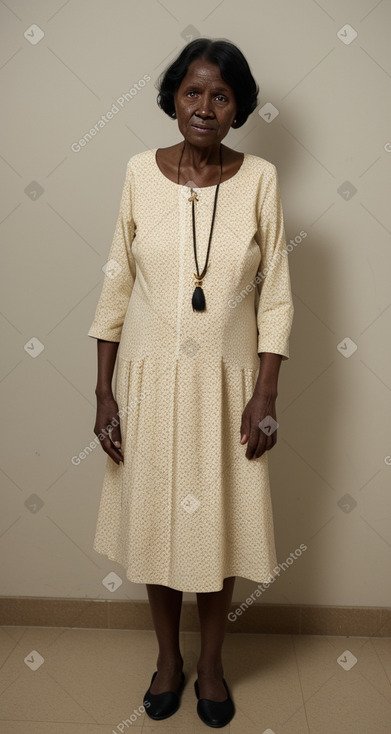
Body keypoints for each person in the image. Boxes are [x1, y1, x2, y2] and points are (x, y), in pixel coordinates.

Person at [87, 37, 294, 728]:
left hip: (227, 387)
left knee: (215, 528)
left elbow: (276, 298)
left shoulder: (260, 177)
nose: (204, 107)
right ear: (172, 98)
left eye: (221, 95)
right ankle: (166, 660)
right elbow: (117, 279)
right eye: (192, 92)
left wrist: (265, 395)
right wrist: (103, 392)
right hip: (146, 382)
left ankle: (209, 664)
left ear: (238, 107)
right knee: (154, 523)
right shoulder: (137, 174)